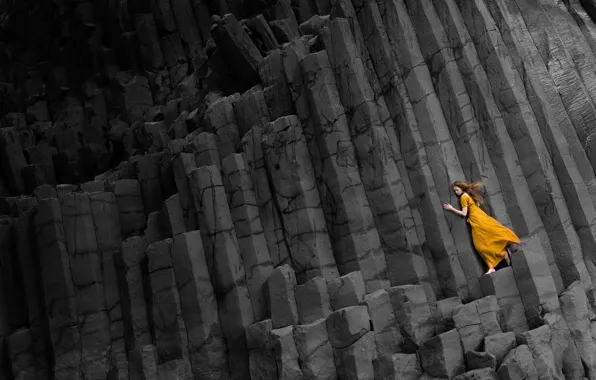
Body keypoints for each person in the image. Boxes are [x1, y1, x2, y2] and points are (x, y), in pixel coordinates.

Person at [442, 181, 520, 275]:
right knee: (490, 238)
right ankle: (499, 259)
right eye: (454, 191)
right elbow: (478, 204)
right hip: (482, 217)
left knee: (480, 246)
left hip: (477, 221)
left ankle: (498, 260)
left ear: (461, 188)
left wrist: (451, 208)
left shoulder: (463, 197)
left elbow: (464, 213)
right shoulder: (469, 194)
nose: (455, 192)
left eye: (456, 190)